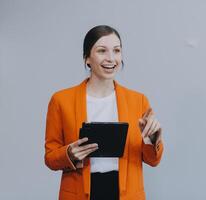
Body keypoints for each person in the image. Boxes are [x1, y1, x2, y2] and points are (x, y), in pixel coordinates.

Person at [44, 25, 164, 200]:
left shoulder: (138, 101)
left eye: (116, 51)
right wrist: (68, 154)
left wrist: (152, 139)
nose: (111, 58)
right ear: (87, 58)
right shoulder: (61, 100)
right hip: (80, 193)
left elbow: (153, 160)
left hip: (126, 194)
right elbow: (50, 157)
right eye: (102, 51)